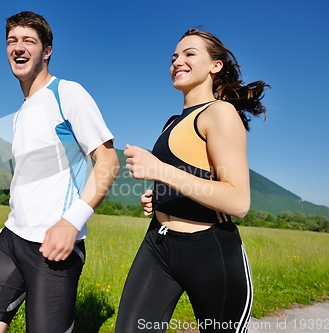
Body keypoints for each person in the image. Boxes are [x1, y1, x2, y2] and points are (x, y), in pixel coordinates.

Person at [0, 11, 119, 333]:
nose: (18, 48)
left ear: (46, 51)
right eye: (12, 41)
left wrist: (71, 223)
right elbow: (28, 177)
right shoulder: (22, 112)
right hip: (12, 238)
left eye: (28, 41)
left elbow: (108, 162)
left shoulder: (67, 93)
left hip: (54, 246)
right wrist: (13, 219)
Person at [115, 28, 269, 333]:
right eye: (174, 57)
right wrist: (160, 195)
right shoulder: (172, 122)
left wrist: (160, 171)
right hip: (158, 244)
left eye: (189, 54)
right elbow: (192, 175)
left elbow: (238, 201)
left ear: (215, 65)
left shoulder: (220, 113)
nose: (177, 62)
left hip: (209, 252)